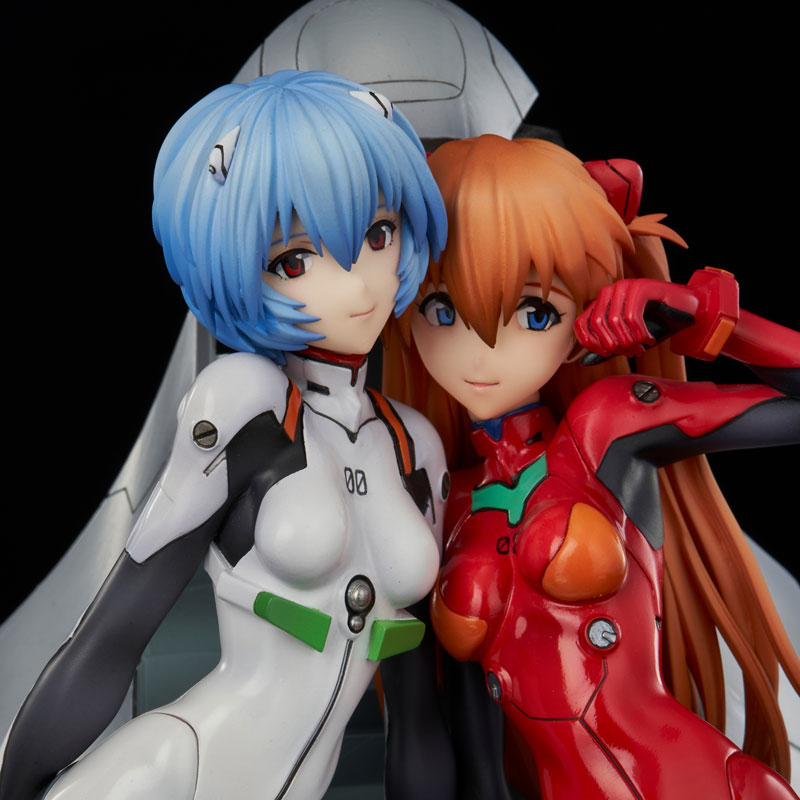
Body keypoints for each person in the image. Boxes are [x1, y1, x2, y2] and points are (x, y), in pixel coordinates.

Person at [0, 70, 455, 800]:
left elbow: (417, 716)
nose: (357, 283)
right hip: (174, 775)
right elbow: (115, 632)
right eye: (294, 260)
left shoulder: (414, 446)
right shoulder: (247, 403)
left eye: (378, 234)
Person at [383, 134, 800, 799]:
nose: (481, 350)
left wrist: (704, 320)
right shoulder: (448, 499)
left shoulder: (605, 431)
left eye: (533, 310)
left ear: (585, 312)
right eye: (442, 309)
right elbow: (470, 728)